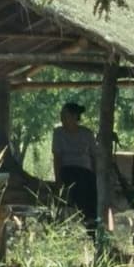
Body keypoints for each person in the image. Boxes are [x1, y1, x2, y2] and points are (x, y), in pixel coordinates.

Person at [52, 101, 99, 240]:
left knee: (90, 185)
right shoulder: (58, 133)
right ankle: (87, 217)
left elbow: (94, 157)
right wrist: (58, 180)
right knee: (77, 182)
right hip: (68, 170)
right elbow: (57, 158)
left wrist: (97, 176)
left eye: (65, 115)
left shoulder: (87, 133)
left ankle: (92, 219)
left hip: (85, 171)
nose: (62, 118)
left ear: (74, 117)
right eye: (61, 115)